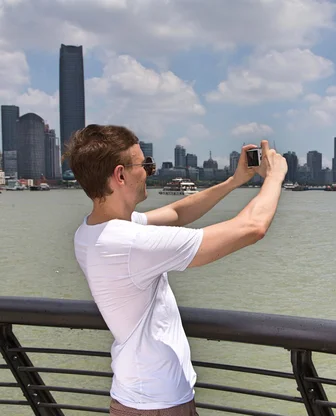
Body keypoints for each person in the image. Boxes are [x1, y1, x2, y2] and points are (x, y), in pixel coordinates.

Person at [62, 124, 287, 416]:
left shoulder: (93, 231)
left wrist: (234, 181)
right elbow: (252, 228)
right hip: (159, 404)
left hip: (136, 396)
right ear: (120, 175)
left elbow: (179, 213)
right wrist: (276, 176)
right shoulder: (128, 242)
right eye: (145, 164)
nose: (149, 171)